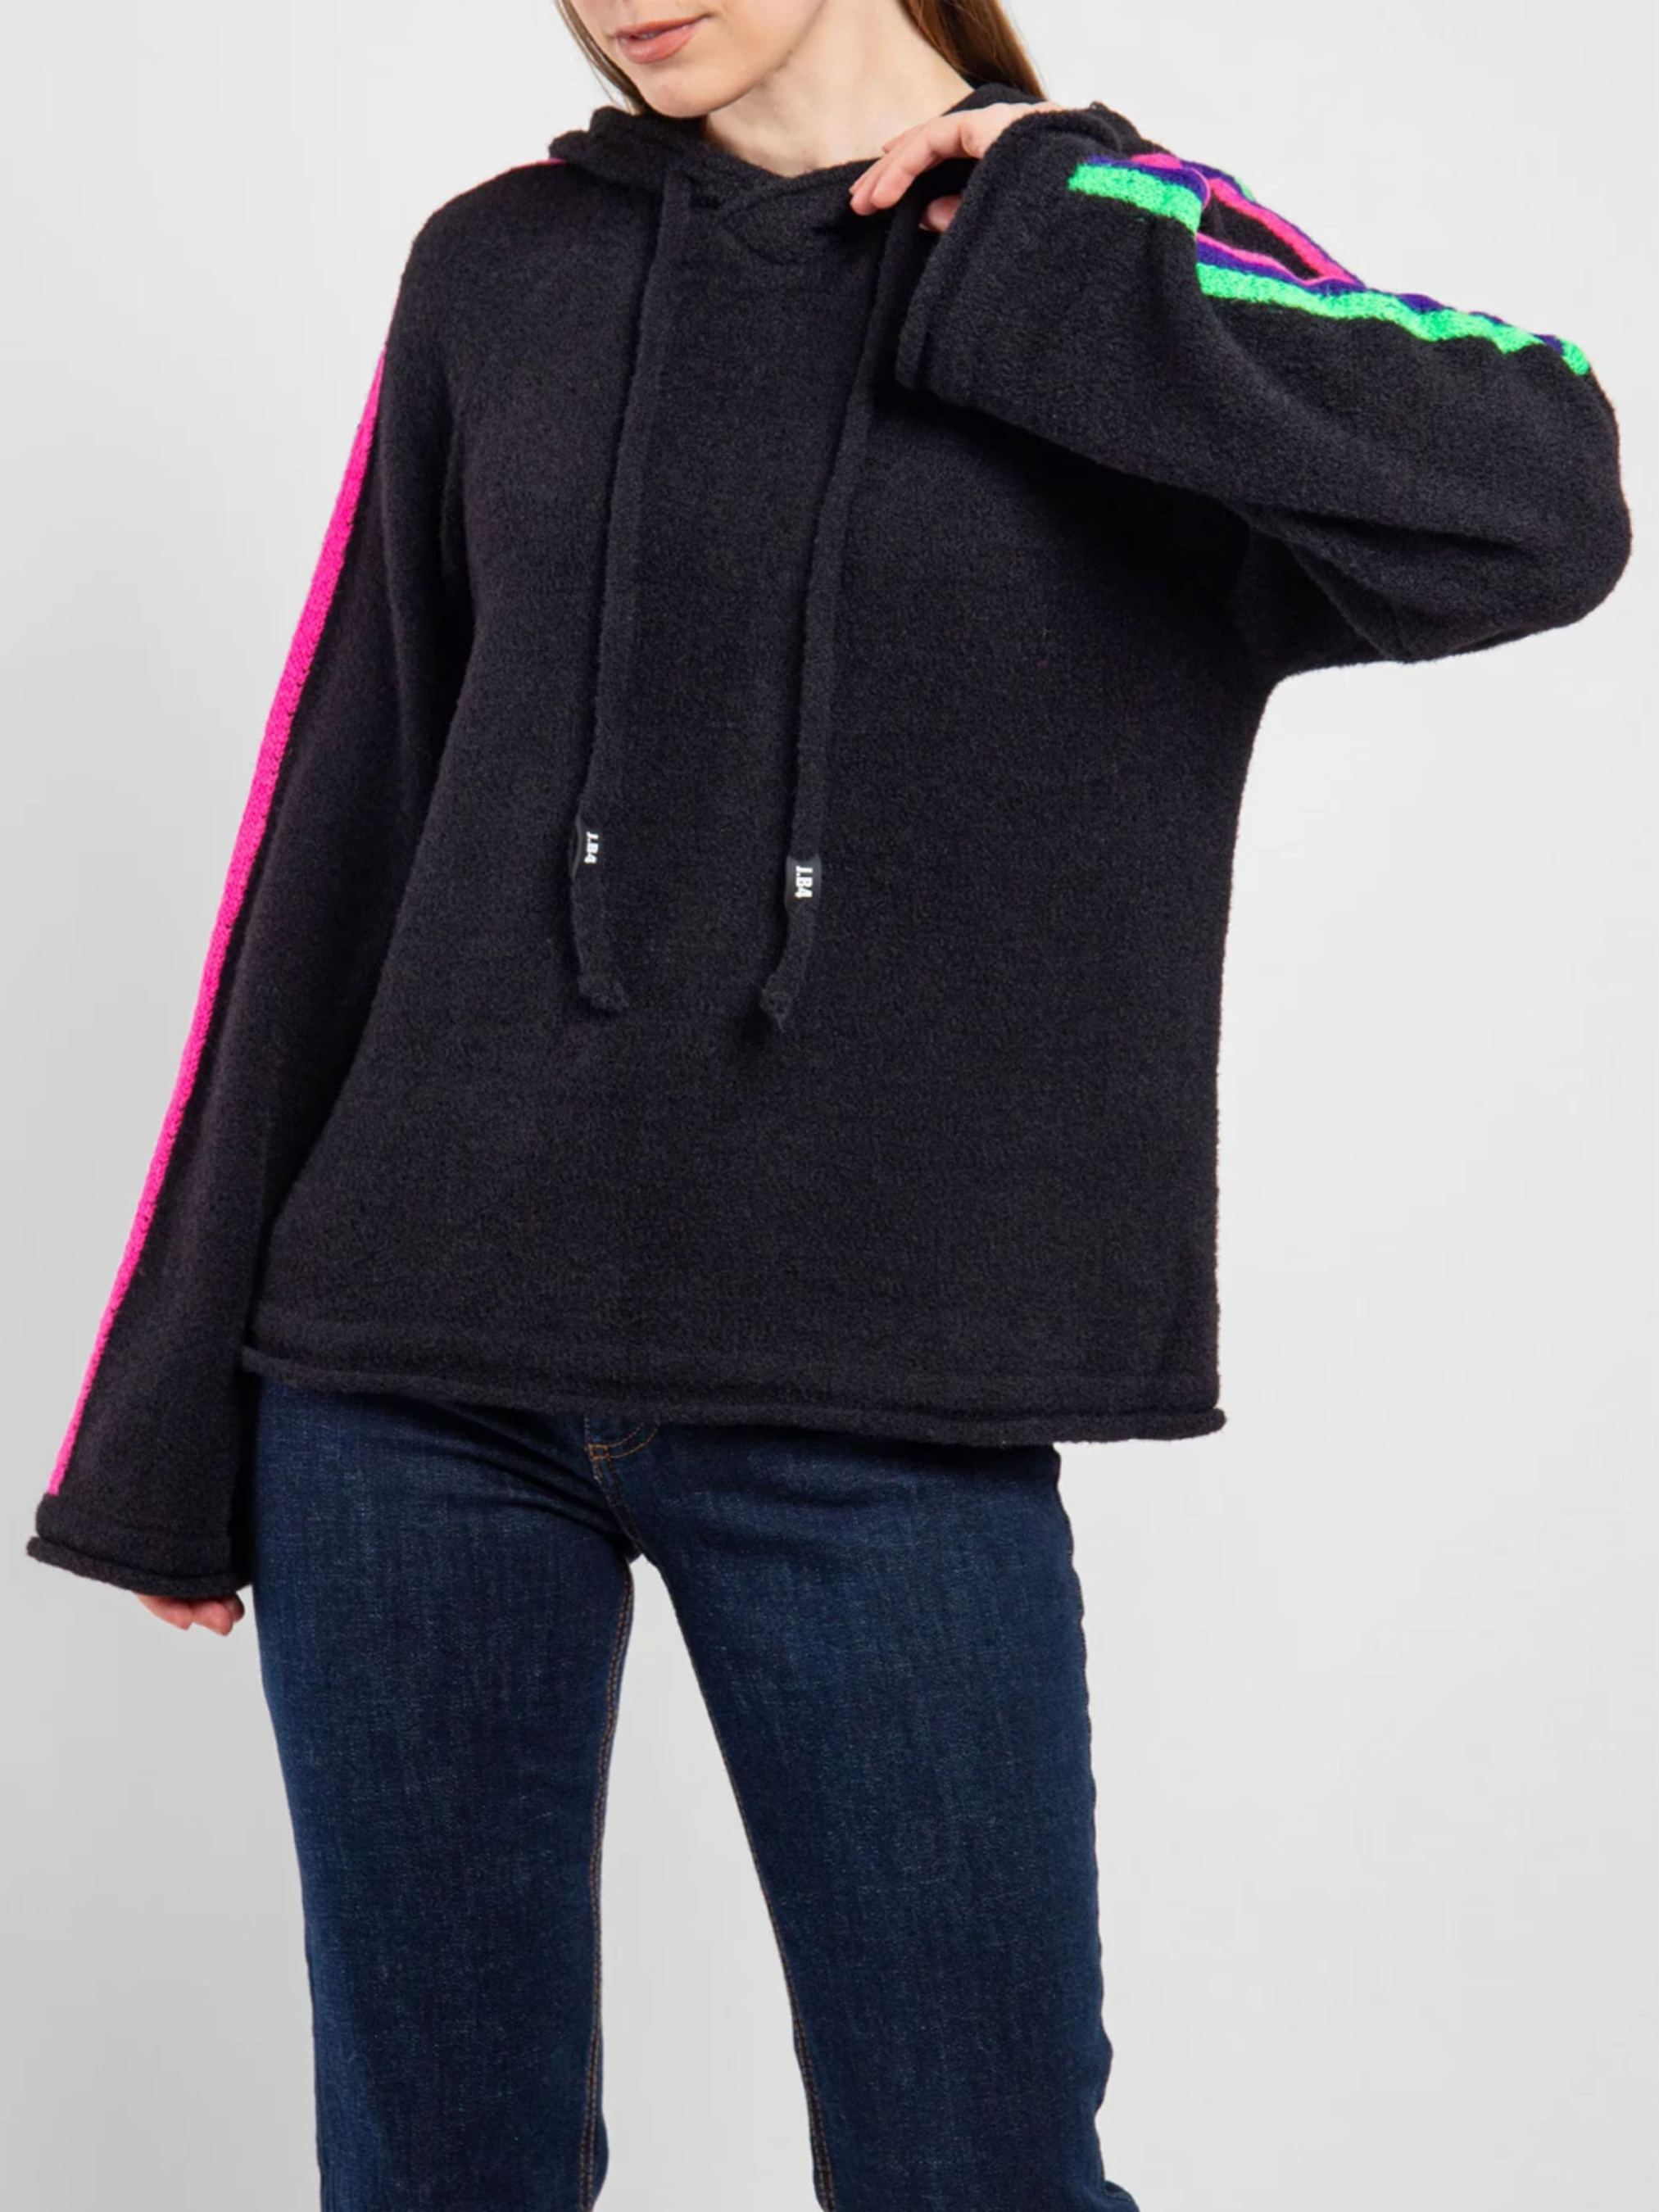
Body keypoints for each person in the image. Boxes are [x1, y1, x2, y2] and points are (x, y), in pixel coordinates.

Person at [25, 0, 1630, 2205]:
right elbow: (347, 799)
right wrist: (165, 1413)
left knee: (975, 2167)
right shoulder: (497, 269)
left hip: (886, 1396)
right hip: (402, 1385)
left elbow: (1539, 496)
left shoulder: (1101, 247)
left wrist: (1068, 234)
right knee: (431, 2174)